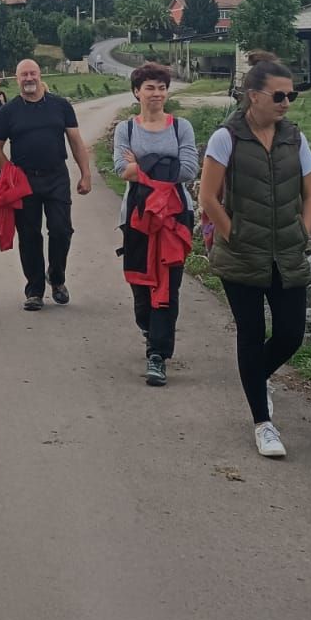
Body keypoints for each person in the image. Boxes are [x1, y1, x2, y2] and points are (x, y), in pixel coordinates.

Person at [198, 52, 311, 459]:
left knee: (290, 334)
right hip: (241, 256)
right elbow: (208, 198)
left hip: (287, 252)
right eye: (279, 95)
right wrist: (233, 235)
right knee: (250, 334)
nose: (286, 103)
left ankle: (257, 377)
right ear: (254, 96)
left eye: (292, 96)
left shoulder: (295, 137)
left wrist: (303, 231)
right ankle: (262, 424)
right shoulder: (226, 137)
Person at [113, 63, 198, 386]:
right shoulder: (126, 129)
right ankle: (151, 329)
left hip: (175, 218)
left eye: (162, 87)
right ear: (137, 92)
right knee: (140, 285)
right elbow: (122, 169)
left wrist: (143, 165)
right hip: (136, 216)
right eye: (150, 87)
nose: (157, 93)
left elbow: (189, 169)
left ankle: (157, 354)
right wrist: (164, 164)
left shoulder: (181, 128)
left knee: (168, 285)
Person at [0, 58, 92, 310]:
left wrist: (85, 173)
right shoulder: (8, 111)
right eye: (23, 75)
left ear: (40, 74)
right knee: (29, 234)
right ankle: (34, 289)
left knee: (61, 230)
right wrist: (11, 174)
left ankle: (56, 279)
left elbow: (76, 141)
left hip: (56, 176)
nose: (29, 79)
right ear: (17, 79)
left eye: (32, 73)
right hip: (25, 181)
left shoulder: (60, 105)